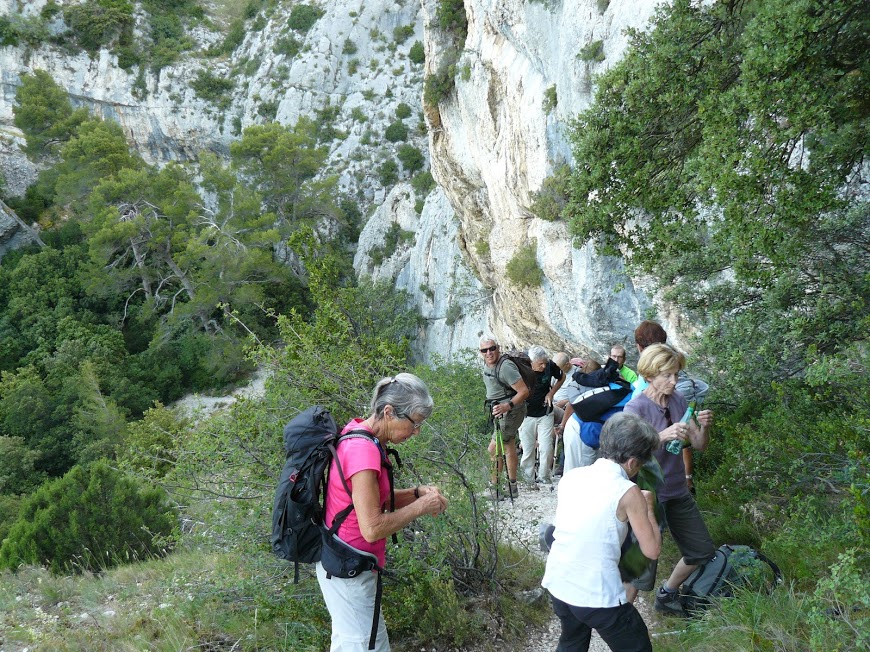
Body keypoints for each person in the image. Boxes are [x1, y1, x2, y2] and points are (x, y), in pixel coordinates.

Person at [317, 373, 449, 651]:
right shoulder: (363, 452)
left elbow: (366, 500)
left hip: (345, 564)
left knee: (350, 642)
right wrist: (420, 507)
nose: (416, 432)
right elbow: (372, 527)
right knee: (368, 645)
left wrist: (415, 494)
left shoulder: (358, 434)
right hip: (350, 569)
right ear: (389, 412)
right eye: (414, 424)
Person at [542, 412, 662, 652]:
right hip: (596, 593)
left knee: (572, 640)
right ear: (632, 463)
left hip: (560, 582)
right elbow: (651, 549)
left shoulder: (572, 477)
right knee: (637, 646)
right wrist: (649, 507)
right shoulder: (628, 491)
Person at [622, 344, 715, 615]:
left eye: (676, 375)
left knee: (701, 550)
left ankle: (667, 593)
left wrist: (703, 428)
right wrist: (661, 436)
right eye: (667, 375)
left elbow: (698, 445)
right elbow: (626, 456)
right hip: (648, 496)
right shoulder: (635, 408)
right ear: (649, 375)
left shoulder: (679, 402)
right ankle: (620, 617)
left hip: (677, 491)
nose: (674, 382)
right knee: (640, 565)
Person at [480, 335, 529, 499]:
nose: (489, 353)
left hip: (510, 412)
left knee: (493, 449)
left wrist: (507, 406)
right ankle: (511, 488)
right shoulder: (488, 364)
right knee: (508, 447)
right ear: (480, 352)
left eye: (492, 348)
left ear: (498, 348)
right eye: (484, 350)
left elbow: (524, 391)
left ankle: (497, 489)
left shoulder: (506, 367)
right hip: (500, 411)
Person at [518, 345, 566, 486]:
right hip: (526, 414)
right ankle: (528, 479)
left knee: (546, 446)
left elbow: (561, 377)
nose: (544, 366)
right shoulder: (522, 368)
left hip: (545, 412)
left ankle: (544, 477)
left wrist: (551, 393)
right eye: (540, 364)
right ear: (531, 362)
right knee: (528, 447)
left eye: (545, 363)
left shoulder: (550, 365)